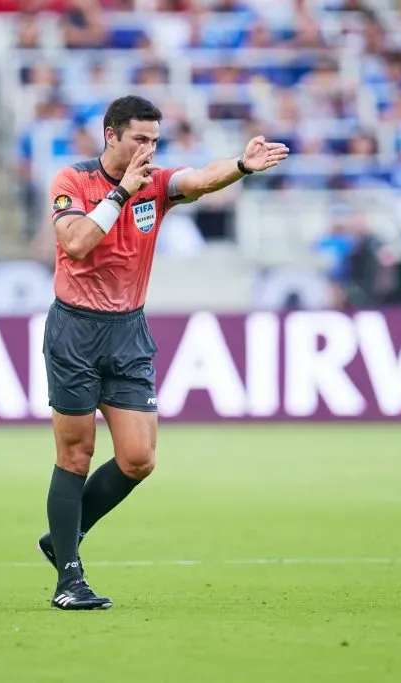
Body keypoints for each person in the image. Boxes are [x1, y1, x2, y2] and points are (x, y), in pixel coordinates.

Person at [37, 95, 289, 610]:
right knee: (76, 454)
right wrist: (121, 193)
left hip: (128, 331)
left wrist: (241, 166)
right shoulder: (73, 181)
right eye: (139, 139)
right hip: (75, 331)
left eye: (155, 141)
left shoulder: (156, 182)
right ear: (111, 136)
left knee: (138, 459)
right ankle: (69, 577)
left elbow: (198, 179)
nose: (148, 150)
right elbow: (78, 243)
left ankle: (64, 534)